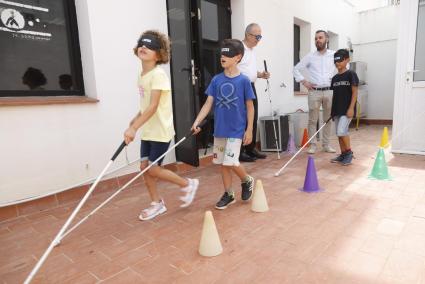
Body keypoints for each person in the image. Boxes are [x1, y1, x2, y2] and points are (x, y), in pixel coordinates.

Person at [124, 30, 199, 221]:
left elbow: (154, 105)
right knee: (144, 167)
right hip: (149, 130)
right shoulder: (142, 75)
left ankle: (187, 183)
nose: (144, 47)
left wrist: (133, 128)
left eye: (149, 45)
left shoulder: (158, 75)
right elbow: (145, 106)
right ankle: (156, 203)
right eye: (141, 43)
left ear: (159, 54)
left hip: (160, 131)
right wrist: (134, 121)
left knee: (153, 169)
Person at [192, 39, 255, 209]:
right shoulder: (216, 80)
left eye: (228, 54)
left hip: (236, 130)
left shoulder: (244, 81)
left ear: (238, 57)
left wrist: (249, 130)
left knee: (230, 161)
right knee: (222, 163)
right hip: (220, 130)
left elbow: (250, 106)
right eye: (222, 53)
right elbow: (208, 103)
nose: (223, 57)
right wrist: (197, 121)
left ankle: (247, 179)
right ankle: (229, 193)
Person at [293, 30, 337, 154]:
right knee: (313, 120)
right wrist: (304, 82)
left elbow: (345, 67)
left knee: (328, 119)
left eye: (320, 38)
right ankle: (312, 145)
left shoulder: (334, 55)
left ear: (327, 39)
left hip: (329, 91)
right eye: (316, 38)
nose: (318, 40)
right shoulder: (310, 56)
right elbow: (296, 69)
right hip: (314, 92)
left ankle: (326, 145)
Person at [238, 23, 270, 162]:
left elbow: (249, 70)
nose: (259, 39)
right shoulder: (239, 48)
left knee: (253, 116)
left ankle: (250, 149)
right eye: (257, 36)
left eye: (260, 36)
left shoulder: (251, 50)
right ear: (248, 35)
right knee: (242, 119)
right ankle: (239, 151)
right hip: (240, 87)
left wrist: (261, 75)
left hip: (251, 86)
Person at [330, 49, 358, 165]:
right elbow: (334, 96)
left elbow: (355, 92)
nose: (337, 63)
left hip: (347, 110)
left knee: (342, 131)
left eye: (340, 60)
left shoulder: (351, 74)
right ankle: (342, 154)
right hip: (337, 110)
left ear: (347, 60)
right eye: (335, 61)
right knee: (339, 133)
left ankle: (349, 153)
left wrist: (351, 108)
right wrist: (332, 112)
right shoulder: (335, 78)